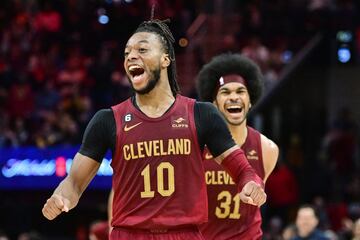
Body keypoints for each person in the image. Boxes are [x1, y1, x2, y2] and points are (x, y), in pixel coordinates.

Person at [42, 19, 266, 240]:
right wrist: (61, 197)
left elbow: (243, 170)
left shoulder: (201, 114)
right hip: (129, 234)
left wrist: (251, 184)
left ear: (165, 59)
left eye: (142, 49)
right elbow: (74, 182)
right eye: (127, 52)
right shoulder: (107, 120)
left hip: (184, 234)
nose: (131, 56)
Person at [196, 53, 279, 240]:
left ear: (250, 101)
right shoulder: (196, 145)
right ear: (214, 103)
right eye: (225, 92)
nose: (234, 97)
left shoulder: (268, 149)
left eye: (240, 91)